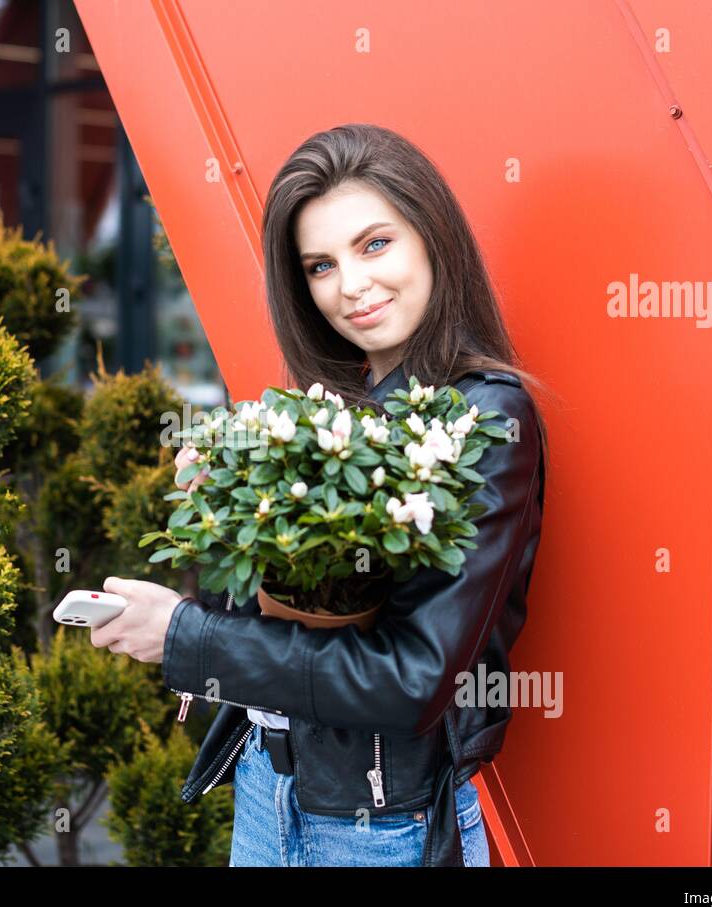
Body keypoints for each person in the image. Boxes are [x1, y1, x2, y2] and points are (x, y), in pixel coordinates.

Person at [92, 123, 549, 866]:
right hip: (267, 794)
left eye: (375, 244)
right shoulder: (328, 412)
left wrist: (185, 638)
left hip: (377, 828)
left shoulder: (486, 417)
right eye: (320, 265)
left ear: (432, 237)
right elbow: (289, 622)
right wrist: (230, 517)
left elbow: (412, 682)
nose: (352, 286)